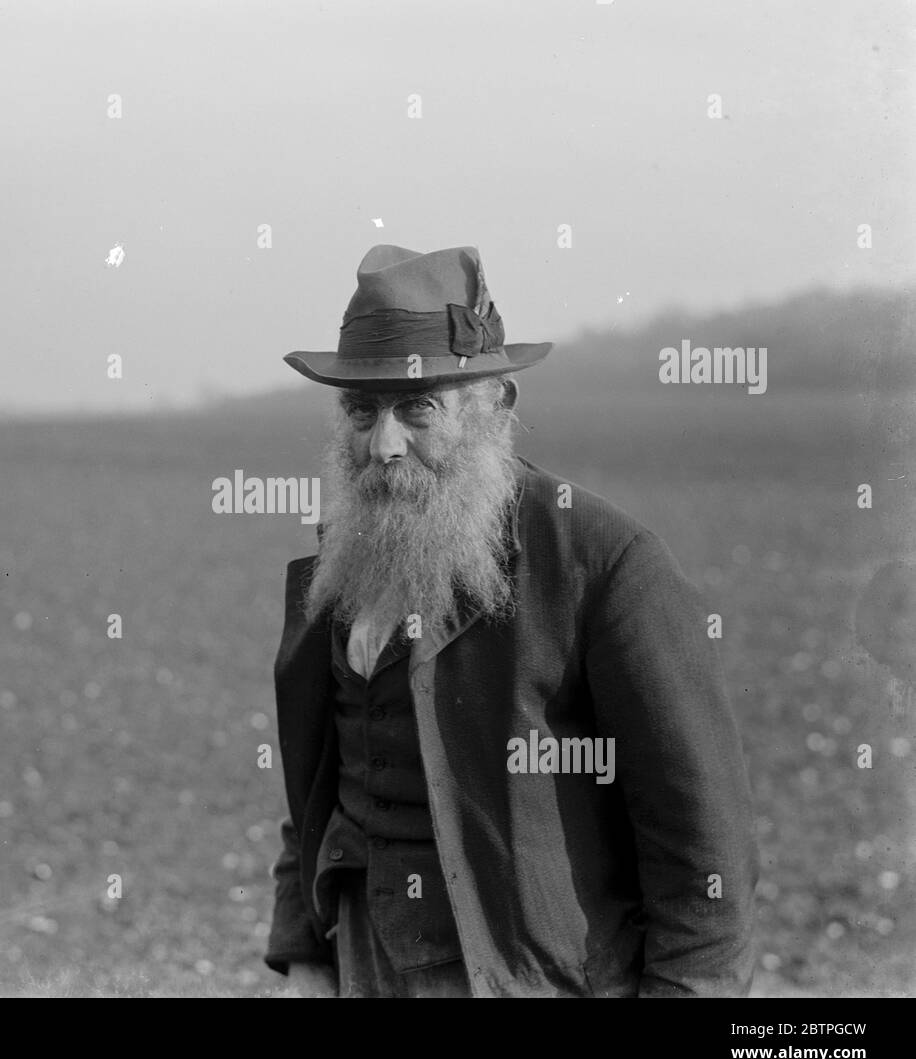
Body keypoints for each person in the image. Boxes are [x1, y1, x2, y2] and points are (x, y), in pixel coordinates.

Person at [264, 244, 758, 997]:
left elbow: (703, 846)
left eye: (417, 406)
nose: (383, 444)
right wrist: (304, 953)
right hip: (362, 960)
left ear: (494, 405)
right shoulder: (343, 559)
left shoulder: (606, 562)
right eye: (361, 411)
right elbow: (319, 784)